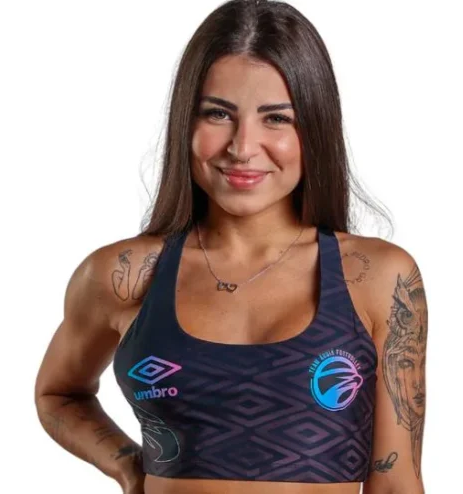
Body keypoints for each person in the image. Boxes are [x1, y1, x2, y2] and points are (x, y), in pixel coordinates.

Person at [34, 0, 428, 493]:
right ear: (185, 121)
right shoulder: (124, 275)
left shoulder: (377, 277)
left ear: (315, 127)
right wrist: (127, 466)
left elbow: (395, 483)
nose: (242, 147)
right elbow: (58, 394)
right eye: (218, 114)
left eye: (276, 118)